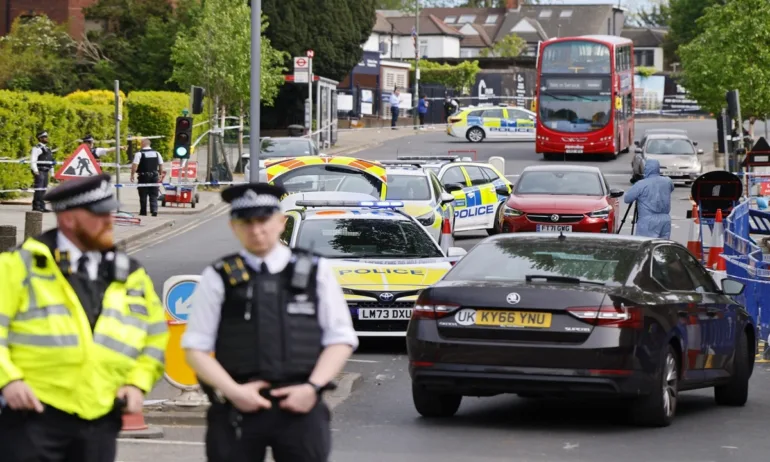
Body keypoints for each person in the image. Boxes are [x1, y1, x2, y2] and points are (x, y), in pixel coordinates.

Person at [181, 182, 358, 462]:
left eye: (263, 220)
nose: (256, 230)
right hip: (236, 407)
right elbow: (195, 348)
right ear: (233, 227)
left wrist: (312, 388)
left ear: (280, 222)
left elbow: (341, 339)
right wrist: (234, 393)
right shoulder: (219, 276)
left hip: (300, 404)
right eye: (245, 222)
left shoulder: (315, 270)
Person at [0, 173, 169, 462]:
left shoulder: (130, 273)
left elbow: (154, 336)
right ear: (68, 219)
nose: (109, 221)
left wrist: (138, 383)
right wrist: (8, 380)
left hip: (100, 417)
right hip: (32, 414)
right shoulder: (19, 266)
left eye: (110, 212)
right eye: (99, 214)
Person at [623, 159, 674, 239]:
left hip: (647, 221)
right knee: (662, 246)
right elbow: (670, 188)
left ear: (646, 169)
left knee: (646, 245)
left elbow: (627, 199)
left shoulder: (641, 184)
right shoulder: (668, 181)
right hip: (665, 220)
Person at [130, 138, 165, 216]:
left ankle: (143, 212)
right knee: (154, 194)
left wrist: (132, 175)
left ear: (142, 143)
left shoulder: (139, 154)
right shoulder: (157, 153)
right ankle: (154, 210)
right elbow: (161, 165)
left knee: (143, 194)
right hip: (154, 176)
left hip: (143, 176)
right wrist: (160, 174)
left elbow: (135, 165)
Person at [29, 130, 54, 213]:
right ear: (40, 138)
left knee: (43, 189)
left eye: (46, 137)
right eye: (44, 137)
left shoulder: (48, 149)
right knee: (39, 189)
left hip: (46, 171)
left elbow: (51, 161)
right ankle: (36, 206)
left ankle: (42, 206)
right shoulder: (36, 148)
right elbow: (33, 160)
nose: (46, 138)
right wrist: (35, 171)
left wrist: (52, 172)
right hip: (40, 171)